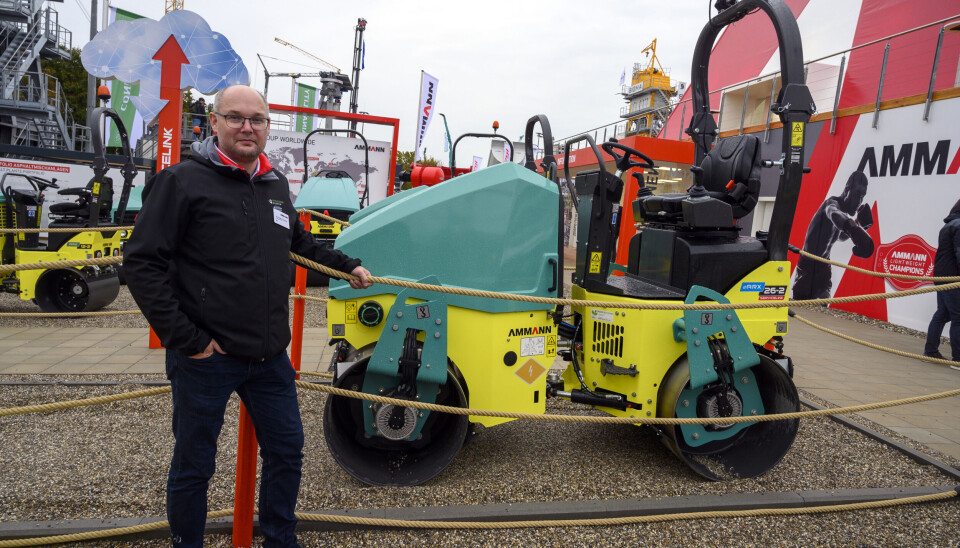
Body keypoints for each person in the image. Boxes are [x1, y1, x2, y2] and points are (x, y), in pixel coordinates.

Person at [124, 84, 372, 548]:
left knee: (287, 451)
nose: (246, 127)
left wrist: (348, 266)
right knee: (194, 464)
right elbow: (141, 262)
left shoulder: (273, 183)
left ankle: (280, 539)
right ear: (213, 122)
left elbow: (298, 243)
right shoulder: (182, 181)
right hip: (206, 356)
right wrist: (187, 338)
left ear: (266, 126)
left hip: (269, 355)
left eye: (256, 119)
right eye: (235, 117)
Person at [792, 171, 874, 300]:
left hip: (824, 266)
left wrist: (858, 224)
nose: (859, 201)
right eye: (857, 194)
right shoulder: (831, 204)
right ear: (847, 189)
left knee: (823, 306)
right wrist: (854, 229)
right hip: (808, 265)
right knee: (801, 306)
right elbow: (834, 213)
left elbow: (840, 236)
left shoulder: (843, 215)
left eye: (862, 196)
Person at [923, 199, 960, 370]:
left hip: (941, 274)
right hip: (952, 277)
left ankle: (930, 351)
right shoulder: (958, 225)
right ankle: (957, 359)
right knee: (957, 316)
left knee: (943, 314)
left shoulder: (948, 225)